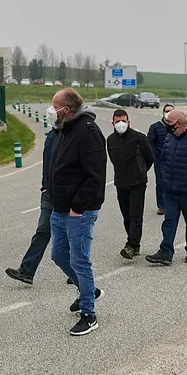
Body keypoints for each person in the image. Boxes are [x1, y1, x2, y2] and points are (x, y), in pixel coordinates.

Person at [45, 88, 107, 336]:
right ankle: (88, 290)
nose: (51, 111)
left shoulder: (87, 132)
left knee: (80, 261)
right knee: (59, 255)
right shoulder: (65, 128)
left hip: (78, 211)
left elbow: (96, 175)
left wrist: (78, 206)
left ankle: (89, 314)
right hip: (59, 208)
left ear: (66, 109)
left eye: (54, 106)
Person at [145, 110, 187, 266]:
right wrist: (165, 178)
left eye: (169, 123)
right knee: (169, 221)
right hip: (170, 191)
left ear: (179, 123)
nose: (167, 126)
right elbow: (164, 159)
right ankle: (166, 252)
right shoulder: (169, 138)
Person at [5, 126, 58, 283]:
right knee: (42, 231)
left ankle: (76, 272)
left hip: (64, 194)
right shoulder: (52, 135)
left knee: (69, 233)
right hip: (49, 193)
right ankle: (27, 271)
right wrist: (45, 186)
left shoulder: (72, 135)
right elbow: (47, 164)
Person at [107, 109, 155, 259]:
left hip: (137, 183)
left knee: (135, 214)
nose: (120, 124)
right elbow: (113, 159)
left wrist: (140, 171)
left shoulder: (139, 138)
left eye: (123, 121)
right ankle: (135, 245)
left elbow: (150, 158)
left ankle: (131, 244)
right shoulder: (110, 140)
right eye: (117, 121)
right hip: (121, 183)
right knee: (126, 215)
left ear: (128, 122)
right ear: (112, 123)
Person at [148, 104, 175, 215]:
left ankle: (173, 204)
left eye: (171, 111)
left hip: (175, 159)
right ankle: (161, 205)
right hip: (160, 159)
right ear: (163, 112)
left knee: (174, 182)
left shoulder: (177, 126)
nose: (169, 113)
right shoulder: (155, 127)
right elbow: (149, 142)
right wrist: (157, 155)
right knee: (161, 182)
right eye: (167, 111)